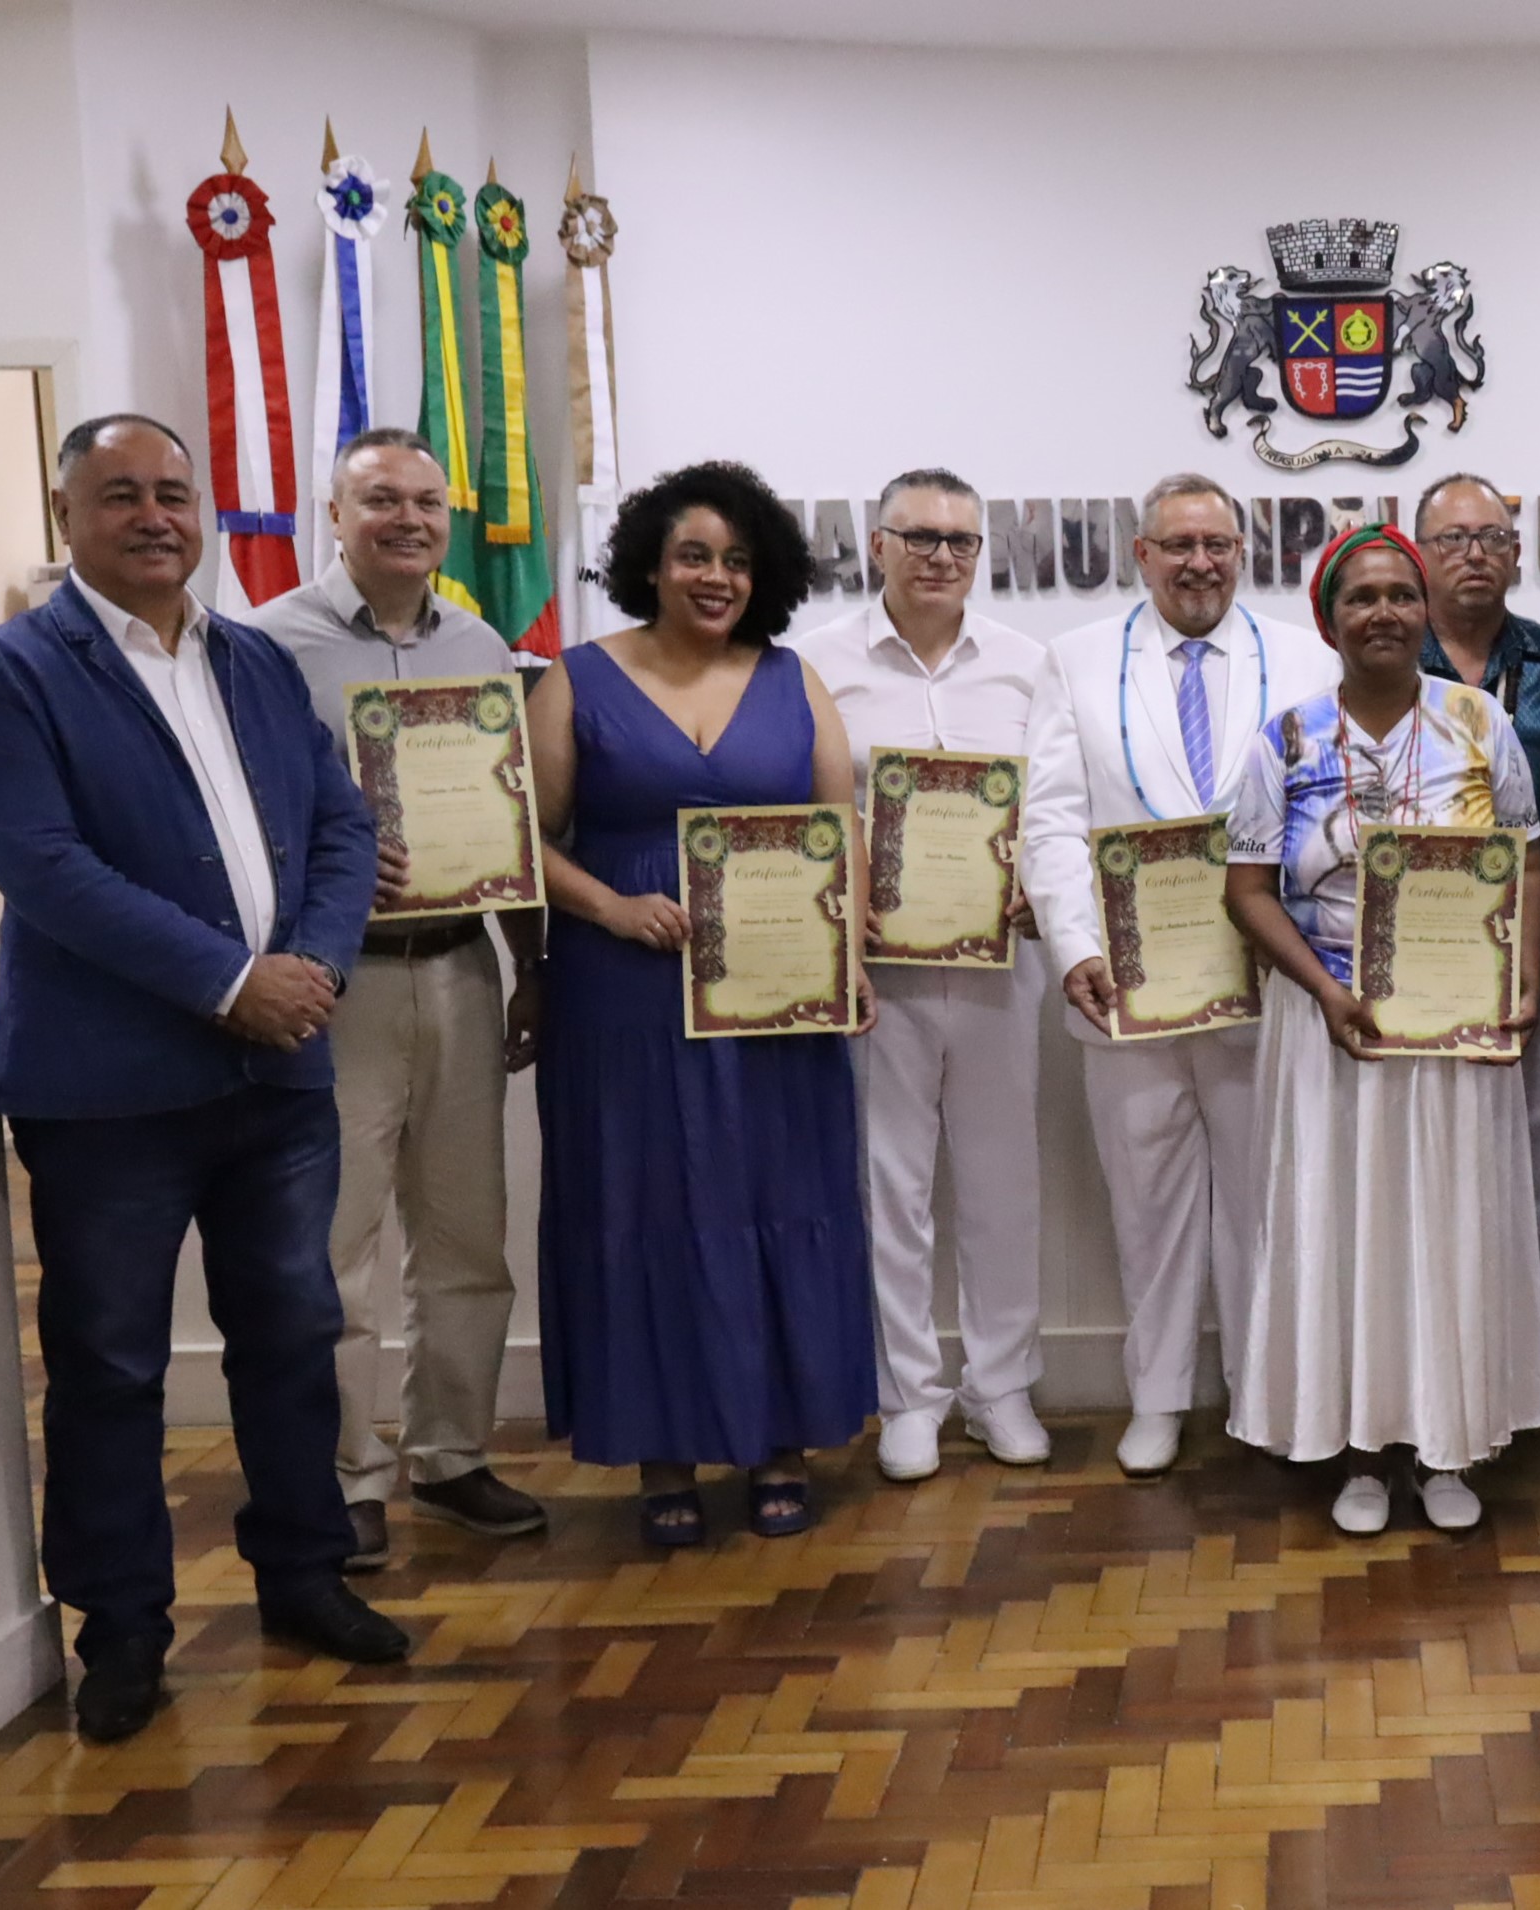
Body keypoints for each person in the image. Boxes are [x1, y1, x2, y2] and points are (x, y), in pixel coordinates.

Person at [0, 414, 407, 1744]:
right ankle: (123, 1633)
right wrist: (233, 979)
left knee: (292, 1330)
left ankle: (303, 1575)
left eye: (175, 492)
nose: (156, 515)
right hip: (109, 1092)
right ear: (69, 518)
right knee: (108, 1364)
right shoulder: (9, 675)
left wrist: (314, 967)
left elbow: (341, 826)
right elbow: (44, 865)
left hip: (277, 1075)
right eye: (121, 495)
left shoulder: (257, 662)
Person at [527, 460, 875, 1546]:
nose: (716, 576)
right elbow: (516, 838)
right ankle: (662, 1454)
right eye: (693, 555)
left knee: (779, 1198)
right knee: (642, 1208)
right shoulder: (575, 678)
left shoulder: (794, 676)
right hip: (623, 998)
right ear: (649, 564)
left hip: (773, 1003)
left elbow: (842, 822)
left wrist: (847, 956)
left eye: (735, 558)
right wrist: (608, 907)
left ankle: (779, 1440)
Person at [253, 427, 547, 1572]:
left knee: (468, 1232)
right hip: (342, 980)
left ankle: (453, 1451)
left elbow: (510, 822)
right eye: (381, 500)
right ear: (334, 514)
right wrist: (318, 874)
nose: (409, 520)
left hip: (462, 965)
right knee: (339, 1246)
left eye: (427, 501)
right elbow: (246, 815)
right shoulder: (266, 647)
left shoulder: (479, 641)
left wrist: (532, 960)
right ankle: (348, 1474)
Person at [1223, 525, 1540, 1534]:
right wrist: (1324, 988)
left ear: (1426, 609)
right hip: (1332, 1023)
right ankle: (1361, 1449)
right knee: (1343, 1225)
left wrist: (1526, 969)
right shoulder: (1287, 737)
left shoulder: (1479, 721)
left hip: (1453, 1023)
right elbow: (1246, 888)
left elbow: (1528, 862)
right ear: (1329, 619)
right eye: (1360, 596)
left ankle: (1448, 1442)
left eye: (1401, 594)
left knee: (1449, 1222)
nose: (1383, 612)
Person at [1026, 475, 1341, 1476]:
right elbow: (1052, 816)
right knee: (1149, 1199)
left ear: (1243, 553)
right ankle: (1157, 1396)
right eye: (1178, 544)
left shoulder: (1304, 657)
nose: (1199, 561)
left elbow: (1330, 811)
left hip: (1268, 979)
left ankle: (1262, 1389)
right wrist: (1075, 943)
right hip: (1127, 985)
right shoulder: (1073, 662)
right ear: (1142, 554)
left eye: (1217, 543)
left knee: (1264, 1199)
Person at [791, 469, 1051, 1482]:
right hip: (876, 971)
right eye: (923, 536)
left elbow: (1057, 805)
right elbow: (808, 813)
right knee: (889, 1181)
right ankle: (909, 1393)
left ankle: (1003, 1386)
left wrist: (1036, 885)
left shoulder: (1029, 666)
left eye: (962, 540)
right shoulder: (817, 665)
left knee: (1001, 1180)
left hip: (1000, 963)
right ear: (879, 543)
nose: (944, 555)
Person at [1413, 472, 1540, 1441]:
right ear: (1419, 553)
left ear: (1518, 553)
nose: (1474, 553)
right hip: (1411, 960)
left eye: (1491, 535)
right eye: (1451, 539)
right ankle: (1440, 1376)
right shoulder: (1377, 653)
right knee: (1427, 1181)